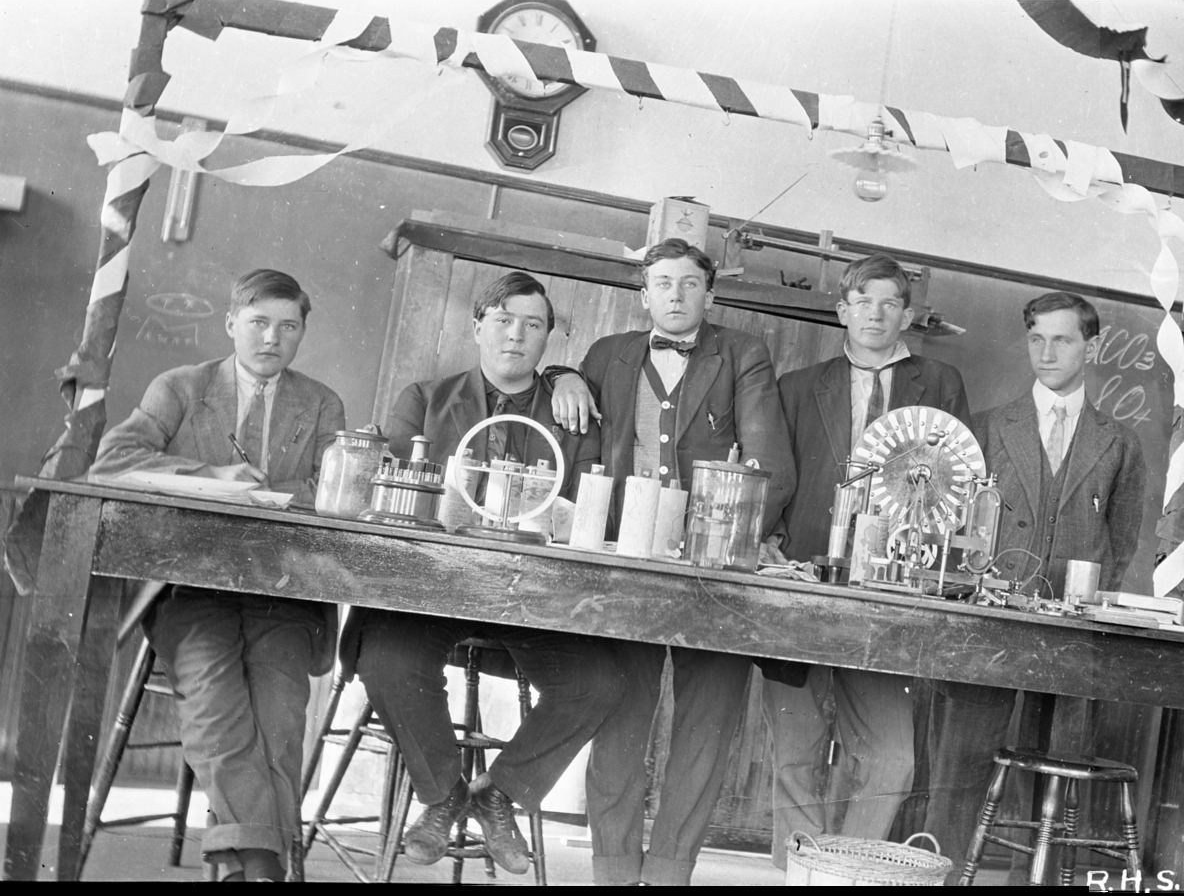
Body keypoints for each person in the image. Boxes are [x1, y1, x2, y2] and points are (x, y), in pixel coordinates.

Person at [351, 271, 626, 875]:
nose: (515, 335)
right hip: (434, 592)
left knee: (600, 681)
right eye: (503, 320)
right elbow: (397, 498)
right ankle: (443, 797)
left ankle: (498, 794)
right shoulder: (423, 400)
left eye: (532, 325)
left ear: (548, 338)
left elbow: (588, 513)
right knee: (387, 659)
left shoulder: (573, 414)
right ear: (477, 327)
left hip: (534, 602)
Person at [91, 269, 346, 881]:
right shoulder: (181, 386)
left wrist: (272, 492)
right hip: (190, 587)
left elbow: (335, 488)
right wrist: (212, 476)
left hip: (281, 590)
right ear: (231, 323)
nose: (272, 338)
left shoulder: (321, 403)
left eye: (288, 326)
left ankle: (242, 865)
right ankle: (263, 865)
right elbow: (112, 460)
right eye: (258, 323)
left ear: (302, 333)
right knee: (214, 697)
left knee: (281, 711)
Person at [566, 238, 796, 886]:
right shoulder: (607, 354)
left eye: (689, 283)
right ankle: (613, 871)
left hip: (715, 569)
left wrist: (728, 542)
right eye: (662, 283)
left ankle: (668, 874)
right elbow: (582, 444)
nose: (675, 294)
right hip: (627, 561)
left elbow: (771, 466)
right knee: (619, 716)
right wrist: (560, 375)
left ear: (709, 295)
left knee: (706, 726)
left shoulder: (742, 353)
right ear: (643, 295)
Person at [922, 291, 1147, 879]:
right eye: (1036, 339)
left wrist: (1082, 604)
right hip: (990, 623)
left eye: (1062, 339)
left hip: (1071, 634)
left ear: (1091, 347)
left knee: (1057, 775)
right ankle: (941, 876)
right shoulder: (988, 428)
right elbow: (956, 527)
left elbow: (1121, 543)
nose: (1046, 353)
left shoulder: (1119, 442)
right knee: (962, 764)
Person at [761, 254, 970, 867]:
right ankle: (798, 874)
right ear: (842, 311)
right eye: (862, 302)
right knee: (794, 753)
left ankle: (849, 870)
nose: (875, 314)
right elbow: (776, 474)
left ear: (906, 314)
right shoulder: (799, 385)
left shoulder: (940, 382)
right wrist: (772, 540)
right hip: (804, 577)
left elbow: (956, 482)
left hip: (890, 587)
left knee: (891, 758)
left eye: (889, 303)